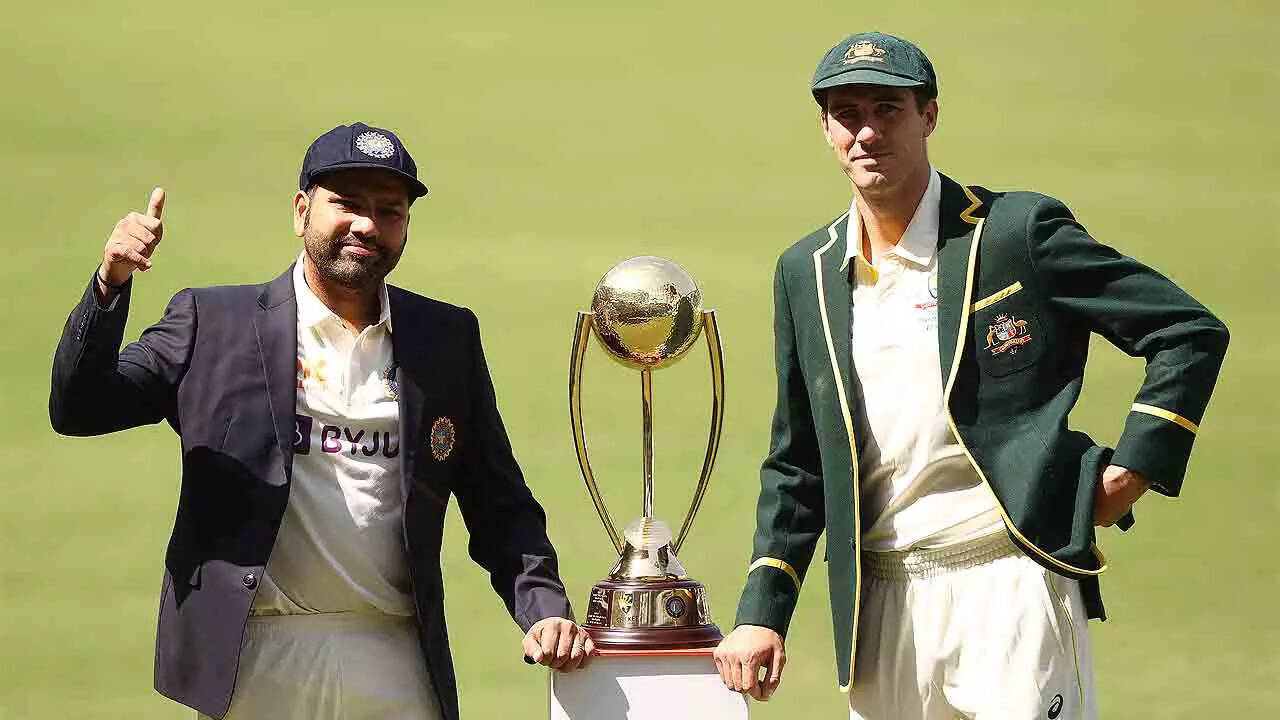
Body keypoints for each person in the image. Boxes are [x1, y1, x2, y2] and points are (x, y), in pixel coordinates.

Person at [712, 32, 1229, 719]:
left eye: (887, 109)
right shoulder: (804, 271)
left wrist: (1132, 470)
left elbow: (1187, 332)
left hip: (1009, 582)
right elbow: (798, 458)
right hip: (880, 605)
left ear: (929, 115)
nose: (866, 132)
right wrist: (762, 611)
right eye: (847, 113)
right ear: (825, 128)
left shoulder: (1017, 232)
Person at [49, 122, 592, 720]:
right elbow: (80, 408)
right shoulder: (214, 322)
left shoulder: (445, 338)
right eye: (347, 203)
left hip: (395, 653)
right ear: (301, 211)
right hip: (256, 656)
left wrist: (544, 611)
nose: (367, 224)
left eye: (389, 210)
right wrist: (109, 285)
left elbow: (500, 505)